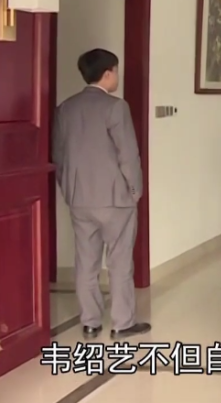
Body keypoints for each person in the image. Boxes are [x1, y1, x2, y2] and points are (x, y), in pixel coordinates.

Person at [52, 49, 150, 339]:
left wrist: (68, 188)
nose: (117, 76)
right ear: (108, 73)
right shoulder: (115, 107)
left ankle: (90, 322)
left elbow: (58, 155)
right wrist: (135, 190)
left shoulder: (65, 108)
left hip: (79, 199)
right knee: (120, 262)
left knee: (86, 262)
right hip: (115, 199)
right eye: (116, 71)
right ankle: (122, 323)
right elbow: (127, 154)